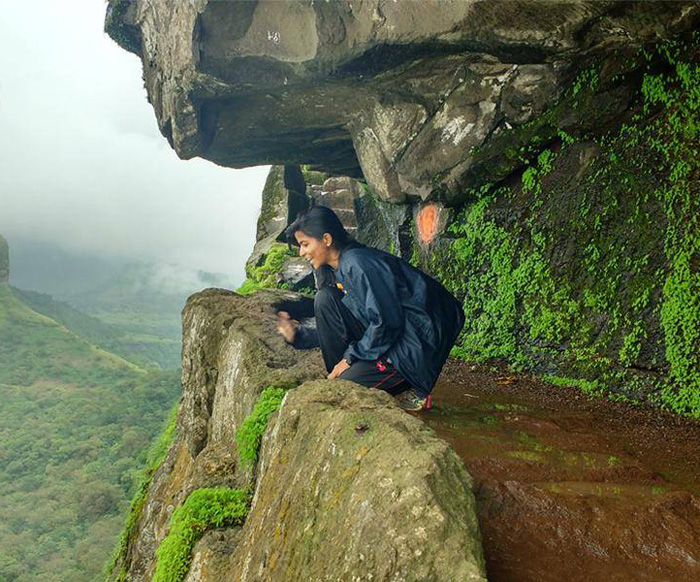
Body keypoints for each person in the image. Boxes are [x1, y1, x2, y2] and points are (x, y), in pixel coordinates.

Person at [276, 205, 464, 411]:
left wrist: (349, 358)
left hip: (411, 347)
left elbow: (387, 322)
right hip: (394, 336)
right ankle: (350, 373)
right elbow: (347, 322)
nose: (302, 252)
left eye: (304, 244)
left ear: (327, 240)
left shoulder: (357, 263)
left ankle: (408, 386)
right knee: (325, 299)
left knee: (341, 393)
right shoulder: (338, 269)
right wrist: (299, 335)